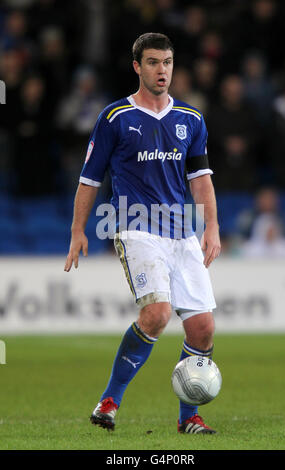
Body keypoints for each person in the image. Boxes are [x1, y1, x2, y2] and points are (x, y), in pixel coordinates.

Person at [64, 33, 221, 434]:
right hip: (134, 227)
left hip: (181, 233)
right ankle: (109, 401)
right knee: (157, 314)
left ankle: (189, 418)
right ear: (137, 67)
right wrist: (78, 230)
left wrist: (212, 227)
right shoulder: (116, 117)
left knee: (202, 328)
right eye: (153, 62)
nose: (162, 70)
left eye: (167, 62)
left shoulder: (191, 118)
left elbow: (201, 178)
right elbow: (89, 177)